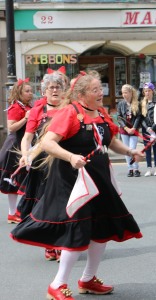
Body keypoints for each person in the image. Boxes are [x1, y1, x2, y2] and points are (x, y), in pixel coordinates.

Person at [11, 73, 144, 300]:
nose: (100, 92)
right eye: (94, 89)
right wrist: (71, 157)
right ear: (81, 94)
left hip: (99, 178)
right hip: (72, 181)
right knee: (76, 229)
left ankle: (88, 279)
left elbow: (110, 141)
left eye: (99, 88)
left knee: (102, 228)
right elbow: (47, 142)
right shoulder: (69, 113)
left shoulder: (101, 114)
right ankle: (57, 284)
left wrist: (130, 152)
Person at [17, 73, 65, 261]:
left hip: (63, 162)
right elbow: (27, 138)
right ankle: (49, 244)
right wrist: (25, 154)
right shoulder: (38, 111)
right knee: (44, 204)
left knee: (62, 203)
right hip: (41, 164)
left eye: (58, 87)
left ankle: (62, 243)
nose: (54, 90)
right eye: (51, 87)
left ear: (63, 90)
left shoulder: (69, 109)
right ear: (44, 91)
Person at [0, 78, 33, 224]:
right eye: (27, 91)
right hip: (15, 147)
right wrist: (26, 118)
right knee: (14, 181)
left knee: (24, 180)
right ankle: (13, 213)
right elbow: (11, 128)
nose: (30, 93)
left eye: (31, 90)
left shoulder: (26, 106)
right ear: (19, 93)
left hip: (24, 145)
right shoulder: (15, 107)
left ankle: (17, 212)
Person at [117, 84, 142, 177]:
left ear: (131, 93)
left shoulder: (137, 103)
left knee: (132, 149)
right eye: (123, 93)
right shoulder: (120, 104)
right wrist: (126, 128)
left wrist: (134, 128)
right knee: (127, 150)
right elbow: (119, 117)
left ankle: (136, 168)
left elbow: (138, 117)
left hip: (133, 129)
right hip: (124, 130)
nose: (124, 95)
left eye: (126, 92)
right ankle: (130, 168)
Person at [140, 82, 156, 177]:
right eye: (145, 91)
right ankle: (149, 168)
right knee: (147, 148)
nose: (147, 93)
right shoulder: (142, 103)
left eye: (149, 91)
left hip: (155, 128)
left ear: (152, 91)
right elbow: (141, 118)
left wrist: (153, 128)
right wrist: (147, 128)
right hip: (146, 129)